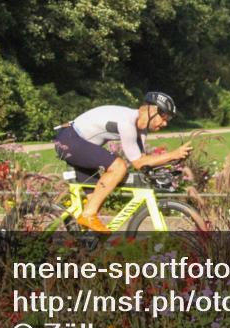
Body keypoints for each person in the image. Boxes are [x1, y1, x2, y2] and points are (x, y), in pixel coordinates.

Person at [54, 91, 191, 232]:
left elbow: (143, 161)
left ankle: (81, 243)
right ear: (151, 110)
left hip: (80, 144)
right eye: (164, 117)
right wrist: (173, 154)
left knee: (97, 199)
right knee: (118, 167)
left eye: (168, 119)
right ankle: (88, 215)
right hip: (69, 140)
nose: (165, 123)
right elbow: (137, 162)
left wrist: (173, 159)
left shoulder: (141, 129)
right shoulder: (127, 123)